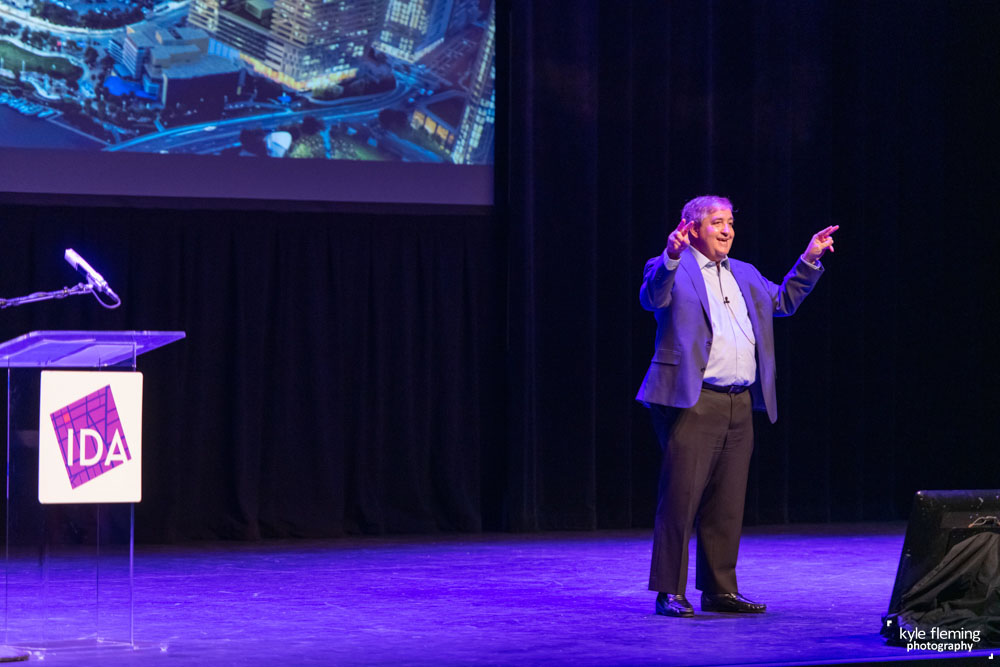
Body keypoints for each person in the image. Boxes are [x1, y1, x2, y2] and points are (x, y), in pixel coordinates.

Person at [636, 195, 837, 618]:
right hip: (694, 400)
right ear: (692, 228)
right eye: (717, 222)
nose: (727, 230)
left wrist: (809, 259)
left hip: (740, 401)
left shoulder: (743, 272)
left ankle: (719, 590)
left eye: (729, 222)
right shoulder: (673, 266)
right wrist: (671, 255)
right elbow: (652, 297)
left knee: (727, 502)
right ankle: (669, 591)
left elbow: (782, 302)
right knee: (680, 499)